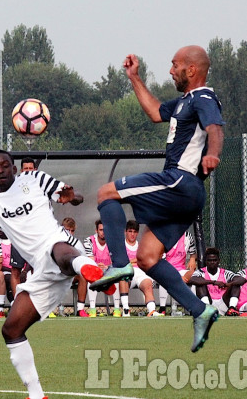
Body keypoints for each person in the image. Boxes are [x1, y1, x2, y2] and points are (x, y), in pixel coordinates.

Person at [0, 118, 112, 399]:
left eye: (5, 165)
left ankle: (88, 268)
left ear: (15, 169)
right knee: (11, 329)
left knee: (58, 248)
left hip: (61, 249)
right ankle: (36, 394)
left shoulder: (34, 179)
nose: (0, 170)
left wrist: (73, 196)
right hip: (42, 273)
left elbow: (72, 195)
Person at [90, 46, 225, 352]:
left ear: (191, 70)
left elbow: (215, 127)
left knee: (106, 193)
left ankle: (119, 264)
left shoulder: (203, 97)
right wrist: (134, 77)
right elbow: (155, 112)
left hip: (179, 181)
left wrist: (214, 153)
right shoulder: (185, 101)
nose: (170, 70)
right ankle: (200, 310)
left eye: (174, 65)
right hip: (187, 194)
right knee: (149, 257)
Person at [187, 247, 245, 316]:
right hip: (209, 302)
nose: (212, 262)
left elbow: (242, 279)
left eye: (214, 260)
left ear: (219, 261)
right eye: (209, 260)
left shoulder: (225, 273)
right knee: (200, 283)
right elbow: (192, 279)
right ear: (206, 261)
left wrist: (229, 284)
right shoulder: (201, 272)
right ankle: (207, 309)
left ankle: (231, 308)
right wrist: (213, 282)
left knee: (235, 284)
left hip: (223, 303)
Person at [121, 220, 162, 317]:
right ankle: (126, 310)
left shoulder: (141, 247)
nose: (132, 234)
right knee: (123, 278)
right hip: (127, 272)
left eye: (135, 232)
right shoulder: (121, 246)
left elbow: (146, 260)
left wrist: (132, 261)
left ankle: (152, 311)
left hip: (140, 272)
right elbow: (121, 262)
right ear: (125, 232)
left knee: (147, 283)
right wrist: (135, 260)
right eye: (130, 231)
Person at [84, 220, 119, 317]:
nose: (103, 232)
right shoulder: (89, 241)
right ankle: (92, 310)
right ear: (96, 231)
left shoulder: (113, 241)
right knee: (91, 277)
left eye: (105, 230)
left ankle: (116, 309)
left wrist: (107, 267)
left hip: (109, 271)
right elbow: (90, 262)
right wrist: (97, 266)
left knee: (117, 276)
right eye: (101, 230)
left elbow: (116, 261)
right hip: (95, 270)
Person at [158, 230, 198, 316]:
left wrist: (192, 259)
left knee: (194, 277)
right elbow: (162, 262)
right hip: (167, 269)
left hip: (181, 270)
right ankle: (162, 308)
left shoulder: (187, 236)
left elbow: (193, 252)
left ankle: (192, 307)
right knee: (163, 278)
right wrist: (178, 277)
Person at [62, 217, 90, 317]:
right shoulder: (55, 242)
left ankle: (80, 309)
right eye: (67, 230)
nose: (69, 232)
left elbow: (84, 261)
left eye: (72, 230)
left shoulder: (77, 244)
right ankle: (49, 310)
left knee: (83, 275)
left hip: (71, 276)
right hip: (57, 275)